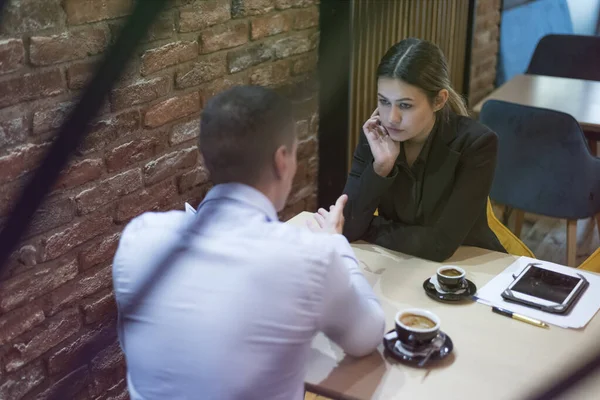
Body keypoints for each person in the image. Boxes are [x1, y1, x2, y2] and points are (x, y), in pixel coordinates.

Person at [112, 85, 385, 400]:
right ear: (282, 160)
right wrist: (337, 245)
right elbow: (367, 336)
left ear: (206, 159)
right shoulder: (311, 257)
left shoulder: (139, 237)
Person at [341, 38, 507, 262]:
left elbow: (439, 245)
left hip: (468, 267)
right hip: (399, 263)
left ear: (439, 100)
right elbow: (347, 226)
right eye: (384, 101)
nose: (391, 118)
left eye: (405, 105)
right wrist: (380, 168)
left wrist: (369, 227)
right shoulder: (375, 137)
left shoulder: (476, 144)